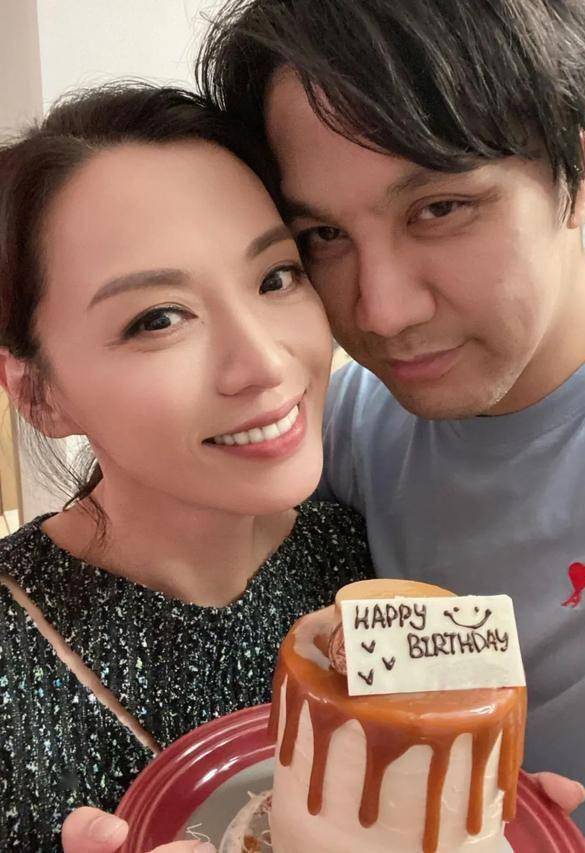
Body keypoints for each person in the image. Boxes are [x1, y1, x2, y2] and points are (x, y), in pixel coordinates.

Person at [193, 0, 585, 849]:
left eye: (439, 207)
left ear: (583, 153)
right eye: (324, 233)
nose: (382, 310)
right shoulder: (347, 432)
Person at [0, 83, 374, 852]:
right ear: (38, 395)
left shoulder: (365, 562)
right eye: (158, 319)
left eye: (276, 276)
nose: (265, 363)